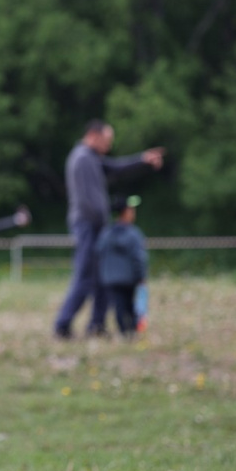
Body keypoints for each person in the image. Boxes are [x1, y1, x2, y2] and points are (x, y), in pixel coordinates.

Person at [53, 120, 163, 339]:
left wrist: (142, 160)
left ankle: (97, 324)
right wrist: (105, 226)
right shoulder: (82, 159)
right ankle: (62, 325)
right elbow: (87, 201)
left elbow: (116, 167)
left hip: (96, 226)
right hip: (88, 226)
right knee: (85, 276)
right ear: (93, 136)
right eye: (106, 140)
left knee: (103, 277)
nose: (108, 146)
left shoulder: (91, 157)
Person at [95, 195, 148, 337]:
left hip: (111, 278)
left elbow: (98, 251)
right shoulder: (134, 234)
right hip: (129, 278)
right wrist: (141, 276)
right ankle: (132, 331)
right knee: (130, 304)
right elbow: (139, 258)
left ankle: (123, 331)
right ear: (126, 212)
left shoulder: (106, 233)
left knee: (118, 306)